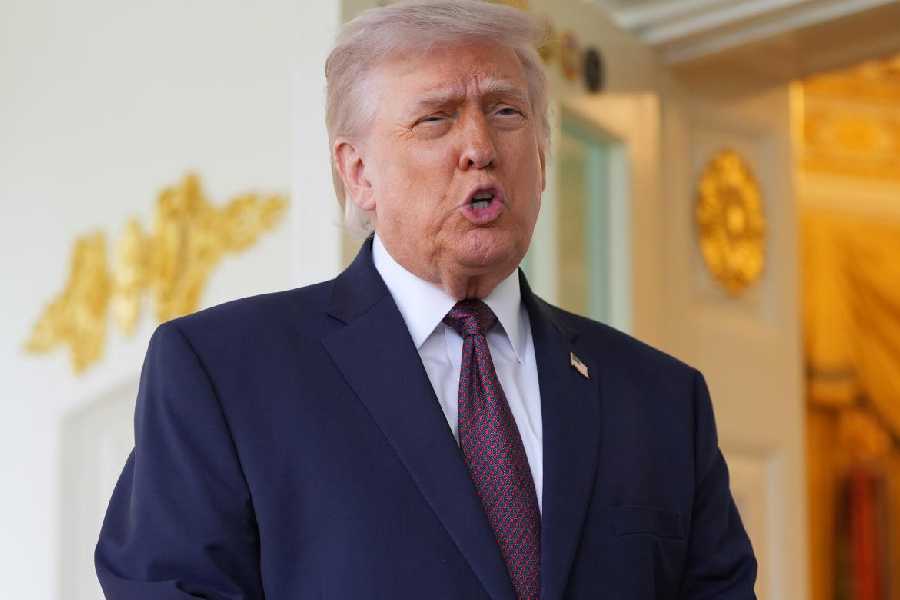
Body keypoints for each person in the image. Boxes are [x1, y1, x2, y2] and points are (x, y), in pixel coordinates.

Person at [95, 1, 757, 598]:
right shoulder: (223, 372)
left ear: (544, 155)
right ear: (358, 174)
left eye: (505, 112)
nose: (480, 149)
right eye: (436, 119)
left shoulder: (663, 399)